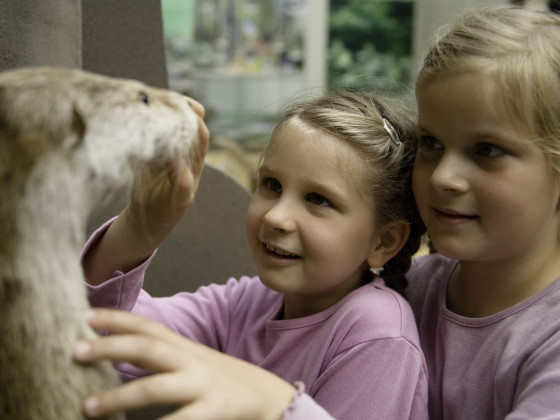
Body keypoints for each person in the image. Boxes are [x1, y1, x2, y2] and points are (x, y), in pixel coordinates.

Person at [73, 5, 560, 420]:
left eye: (488, 150)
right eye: (431, 142)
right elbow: (93, 336)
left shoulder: (382, 324)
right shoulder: (404, 284)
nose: (443, 177)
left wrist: (281, 404)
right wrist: (138, 229)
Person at [76, 90, 428, 419]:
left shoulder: (377, 332)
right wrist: (137, 228)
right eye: (271, 185)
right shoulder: (251, 300)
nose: (275, 217)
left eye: (318, 199)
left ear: (384, 241)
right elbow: (99, 333)